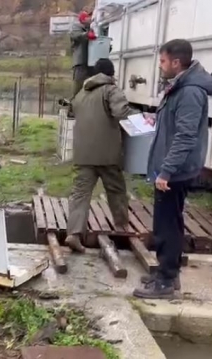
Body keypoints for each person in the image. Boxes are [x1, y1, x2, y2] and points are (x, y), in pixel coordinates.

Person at [133, 39, 212, 299]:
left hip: (176, 171)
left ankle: (166, 283)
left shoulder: (190, 91)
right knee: (169, 222)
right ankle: (168, 273)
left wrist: (166, 171)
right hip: (175, 168)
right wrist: (157, 118)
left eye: (162, 61)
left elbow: (186, 136)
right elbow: (177, 123)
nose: (161, 66)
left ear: (176, 62)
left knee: (166, 225)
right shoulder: (181, 87)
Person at [65, 58, 136, 252]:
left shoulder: (81, 93)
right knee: (116, 191)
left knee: (80, 193)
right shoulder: (111, 90)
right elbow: (122, 112)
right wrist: (142, 120)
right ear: (111, 74)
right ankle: (122, 228)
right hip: (107, 154)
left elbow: (73, 112)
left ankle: (74, 234)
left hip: (82, 153)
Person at [70, 10, 97, 98]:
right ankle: (73, 106)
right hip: (80, 62)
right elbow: (75, 35)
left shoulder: (90, 28)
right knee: (78, 86)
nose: (90, 19)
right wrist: (86, 35)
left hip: (90, 63)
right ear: (83, 19)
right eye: (88, 17)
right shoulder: (76, 27)